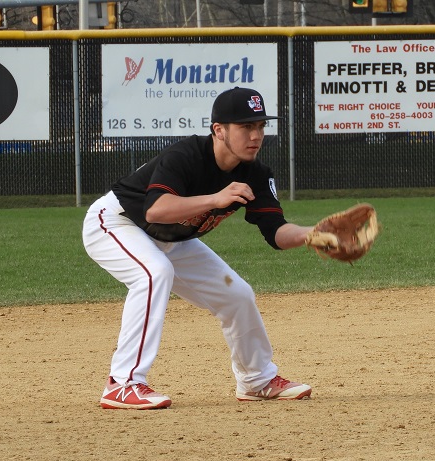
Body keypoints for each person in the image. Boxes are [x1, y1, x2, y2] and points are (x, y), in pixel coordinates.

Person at [82, 86, 314, 409]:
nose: (256, 135)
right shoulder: (186, 156)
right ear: (219, 130)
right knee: (154, 273)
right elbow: (155, 210)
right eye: (246, 126)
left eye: (260, 126)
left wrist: (314, 233)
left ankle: (256, 379)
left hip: (170, 239)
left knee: (238, 294)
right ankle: (122, 383)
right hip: (116, 222)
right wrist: (216, 199)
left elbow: (276, 232)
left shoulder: (256, 174)